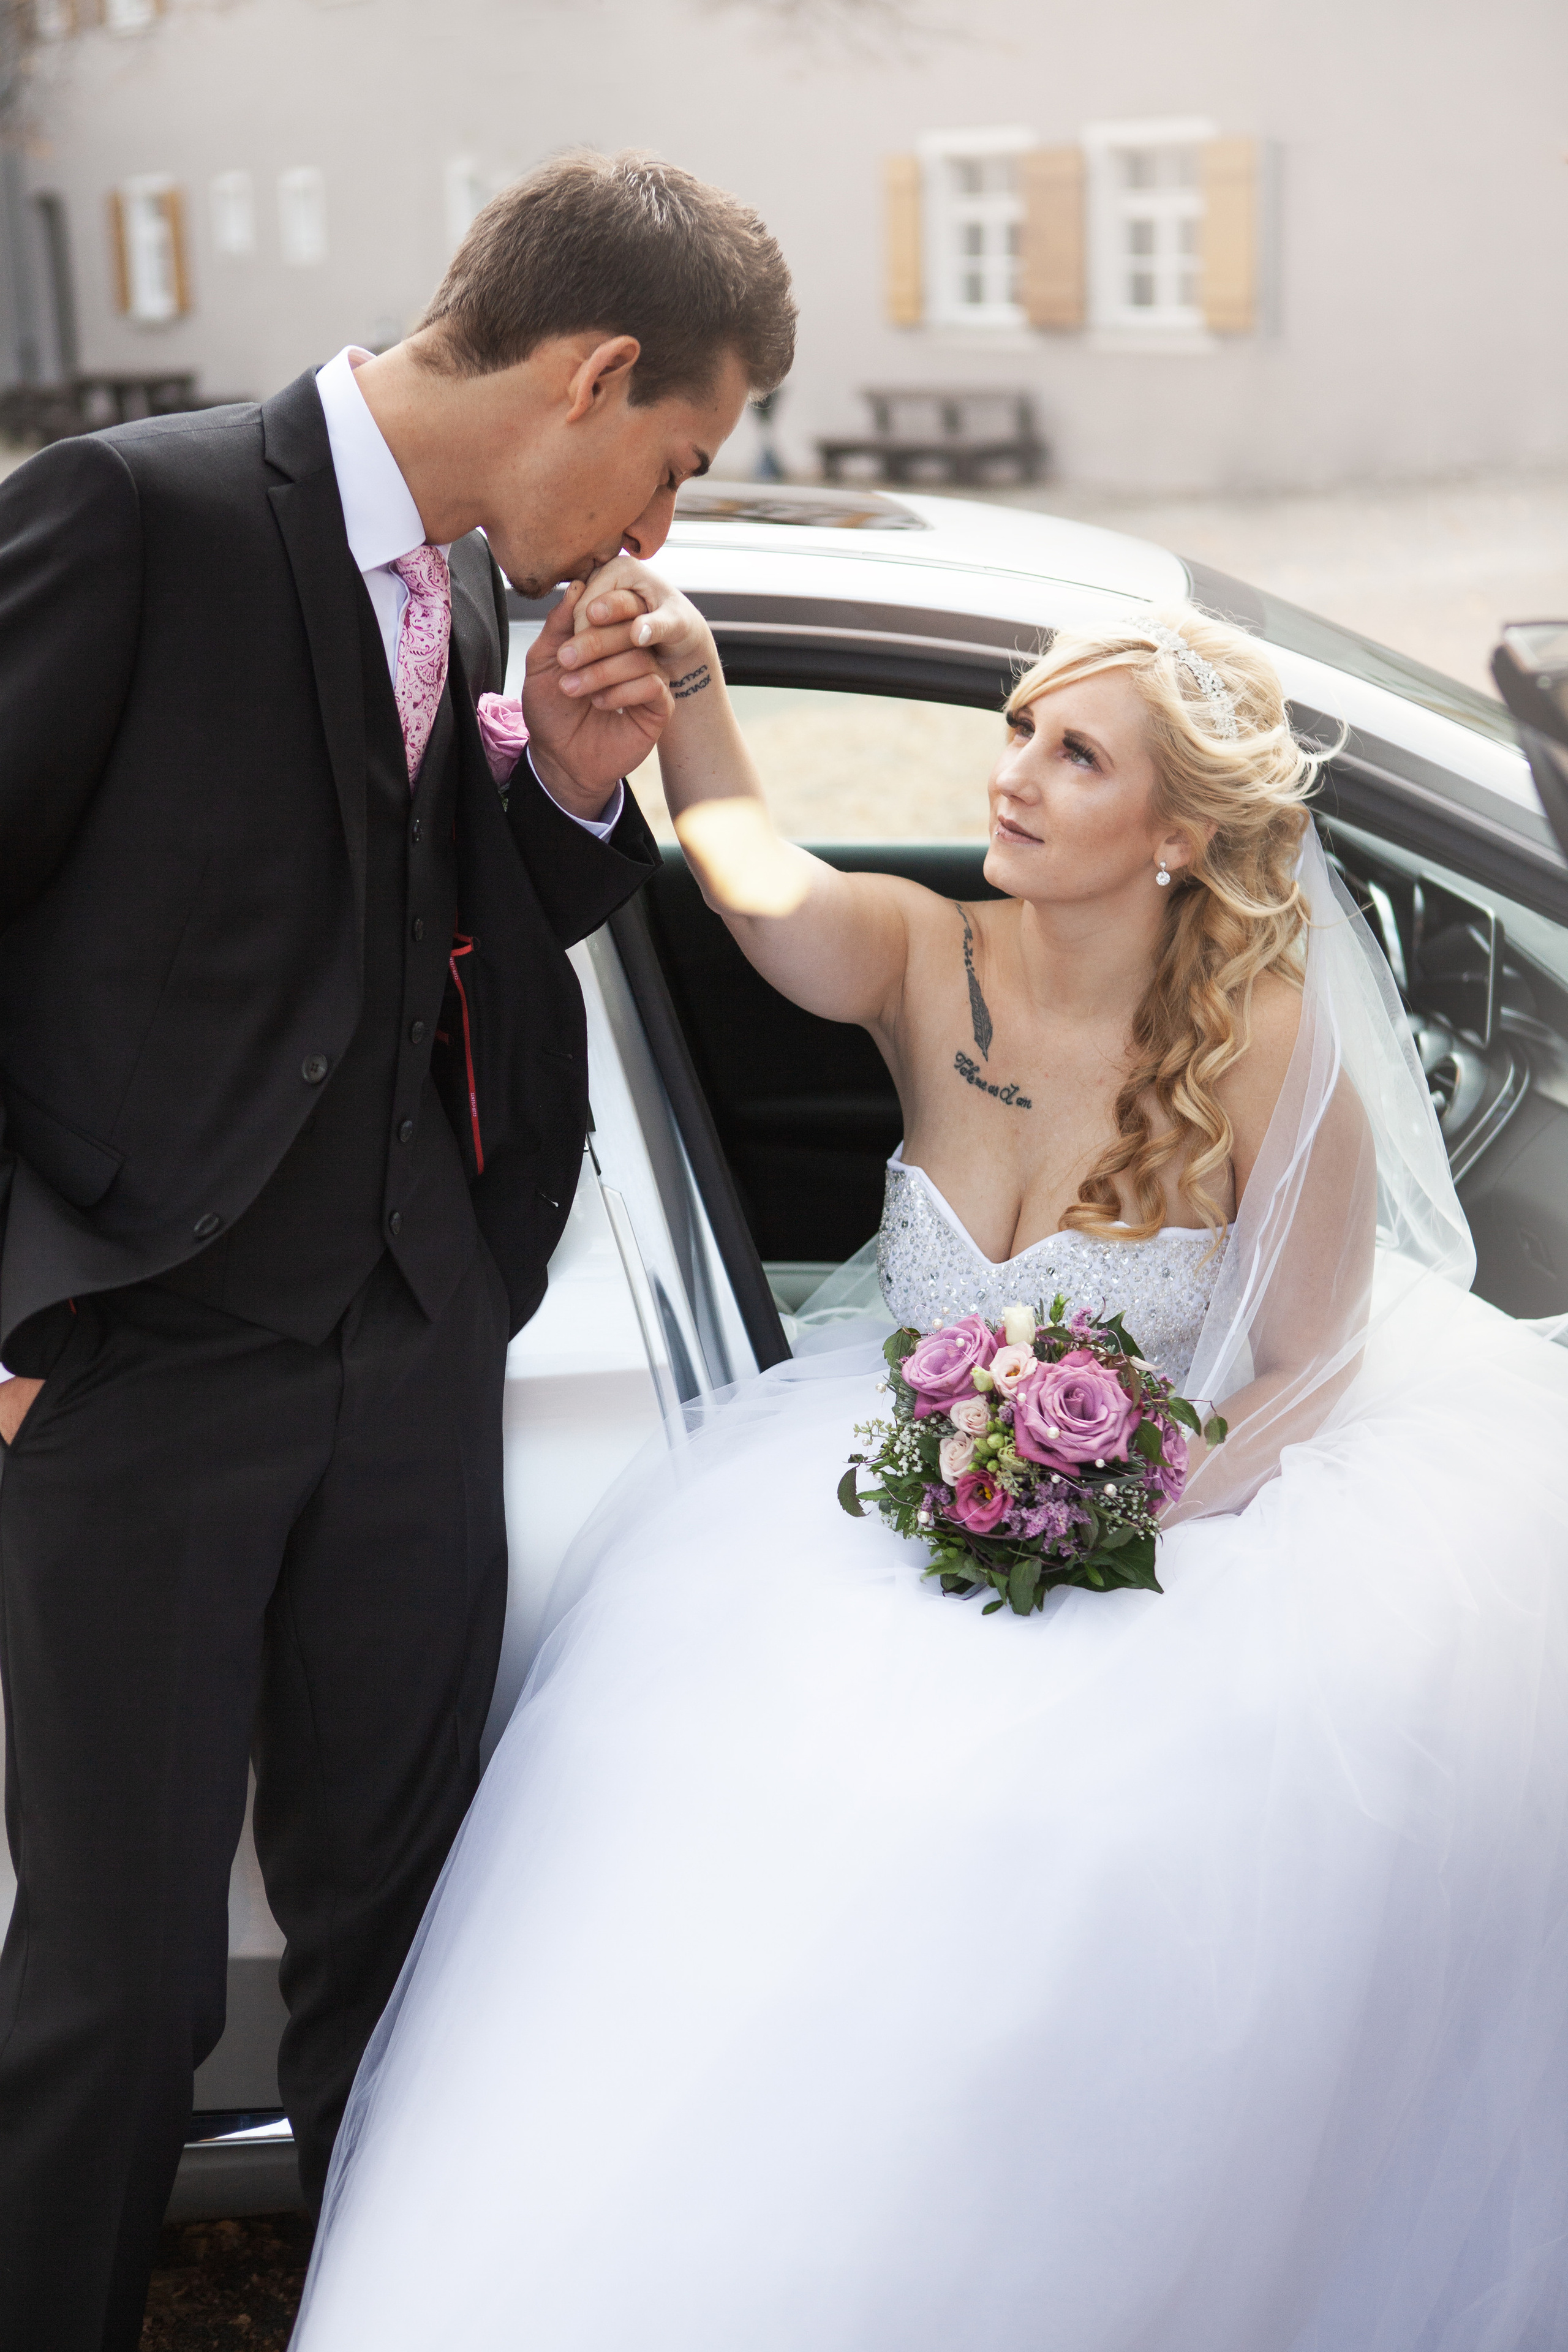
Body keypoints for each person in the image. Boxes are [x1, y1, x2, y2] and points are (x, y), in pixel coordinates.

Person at [292, 575, 1568, 2351]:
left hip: (1170, 1532)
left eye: (1075, 755)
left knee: (1064, 1865)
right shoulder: (919, 949)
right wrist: (701, 694)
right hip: (892, 1505)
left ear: (1181, 835)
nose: (1016, 775)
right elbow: (755, 882)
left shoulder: (1270, 1042)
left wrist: (1144, 1507)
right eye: (1017, 734)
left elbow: (1311, 1360)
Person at [0, 154, 794, 2352]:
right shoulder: (133, 514)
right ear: (597, 370)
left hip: (419, 1348)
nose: (658, 530)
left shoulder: (460, 574)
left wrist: (571, 785)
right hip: (146, 1367)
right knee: (117, 1993)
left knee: (404, 1960)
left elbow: (442, 934)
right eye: (675, 461)